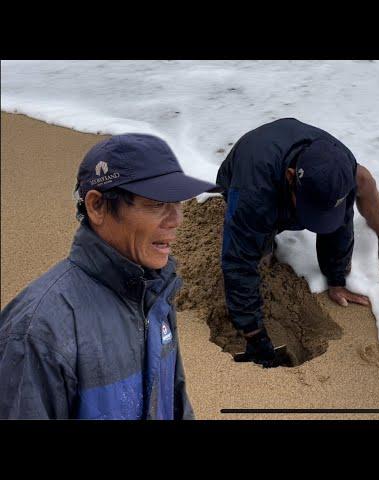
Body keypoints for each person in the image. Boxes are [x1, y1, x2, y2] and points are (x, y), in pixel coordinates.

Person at [0, 133, 220, 419]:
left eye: (177, 202)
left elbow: (176, 404)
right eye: (156, 203)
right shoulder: (37, 332)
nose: (176, 219)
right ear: (96, 206)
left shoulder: (155, 295)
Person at [216, 118, 379, 368]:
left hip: (293, 169)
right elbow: (237, 264)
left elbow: (341, 222)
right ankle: (269, 243)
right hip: (241, 174)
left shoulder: (341, 167)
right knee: (259, 253)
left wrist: (336, 279)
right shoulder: (252, 193)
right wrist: (253, 334)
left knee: (358, 186)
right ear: (290, 177)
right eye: (312, 212)